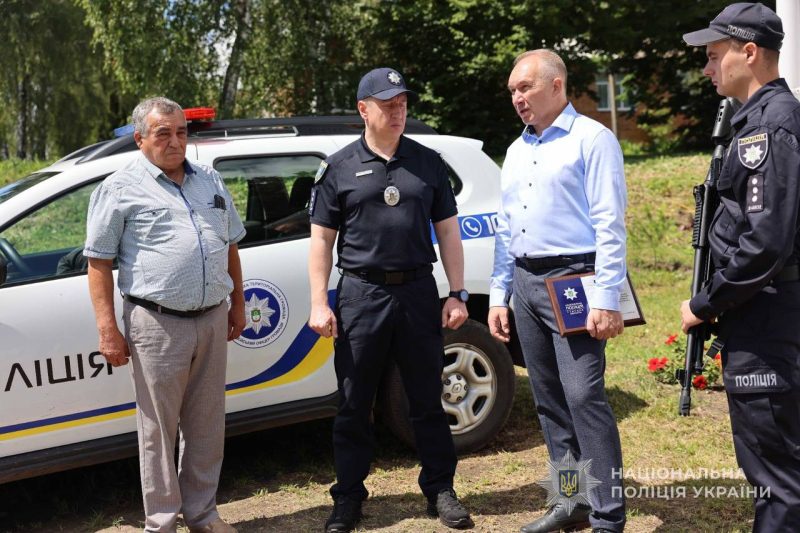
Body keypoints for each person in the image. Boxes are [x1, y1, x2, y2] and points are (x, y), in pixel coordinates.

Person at [307, 67, 474, 533]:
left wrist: (457, 292)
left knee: (426, 396)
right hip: (362, 293)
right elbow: (321, 242)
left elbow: (448, 231)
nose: (398, 110)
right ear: (364, 109)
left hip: (419, 291)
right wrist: (320, 303)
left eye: (402, 102)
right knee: (354, 400)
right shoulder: (338, 167)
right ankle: (348, 498)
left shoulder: (427, 162)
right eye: (387, 103)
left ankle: (440, 488)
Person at [84, 96, 245, 533]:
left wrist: (239, 303)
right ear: (140, 139)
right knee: (158, 430)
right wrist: (108, 330)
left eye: (181, 132)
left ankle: (203, 514)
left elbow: (230, 242)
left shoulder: (208, 178)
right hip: (156, 323)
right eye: (163, 134)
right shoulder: (119, 188)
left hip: (212, 316)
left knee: (207, 425)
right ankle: (161, 523)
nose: (175, 142)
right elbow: (98, 264)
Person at [488, 49, 627, 533]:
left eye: (524, 88)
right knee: (548, 399)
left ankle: (608, 516)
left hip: (574, 280)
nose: (517, 99)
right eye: (512, 92)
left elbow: (610, 225)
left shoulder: (593, 139)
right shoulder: (516, 149)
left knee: (582, 395)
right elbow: (507, 229)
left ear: (556, 85)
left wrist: (608, 299)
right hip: (525, 282)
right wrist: (498, 294)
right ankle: (571, 502)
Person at [681, 3, 800, 531]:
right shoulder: (755, 122)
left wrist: (704, 304)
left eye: (713, 56)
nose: (706, 69)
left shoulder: (768, 129)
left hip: (766, 321)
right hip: (763, 314)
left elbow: (764, 244)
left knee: (774, 473)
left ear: (749, 52)